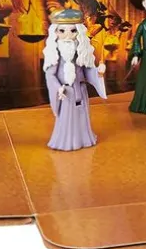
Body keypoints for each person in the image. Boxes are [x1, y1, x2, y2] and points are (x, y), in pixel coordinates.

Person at [43, 8, 107, 150]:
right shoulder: (55, 53)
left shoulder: (80, 51)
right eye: (62, 31)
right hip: (65, 91)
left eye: (73, 31)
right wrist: (58, 88)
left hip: (80, 90)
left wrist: (98, 71)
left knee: (81, 115)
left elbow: (87, 70)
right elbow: (50, 74)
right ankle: (66, 141)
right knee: (66, 117)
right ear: (55, 32)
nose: (68, 35)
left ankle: (84, 138)